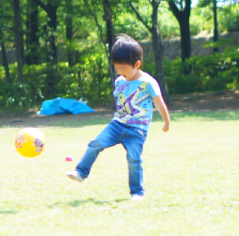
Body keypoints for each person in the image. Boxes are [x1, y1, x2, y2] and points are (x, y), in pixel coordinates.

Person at [66, 34, 170, 200]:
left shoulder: (148, 83)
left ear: (137, 64)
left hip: (137, 129)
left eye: (124, 69)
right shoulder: (120, 81)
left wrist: (166, 122)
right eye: (117, 69)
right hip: (117, 125)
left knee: (133, 159)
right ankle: (80, 172)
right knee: (95, 144)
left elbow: (159, 103)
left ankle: (137, 193)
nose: (121, 73)